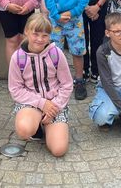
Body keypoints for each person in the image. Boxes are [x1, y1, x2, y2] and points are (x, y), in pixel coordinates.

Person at [8, 13, 73, 157]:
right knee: (24, 129)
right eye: (35, 34)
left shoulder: (56, 54)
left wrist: (53, 108)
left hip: (55, 103)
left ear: (49, 36)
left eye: (44, 35)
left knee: (59, 150)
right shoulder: (18, 58)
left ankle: (49, 124)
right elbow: (16, 89)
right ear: (26, 31)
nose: (39, 39)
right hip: (31, 103)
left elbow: (67, 84)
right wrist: (42, 104)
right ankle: (36, 125)